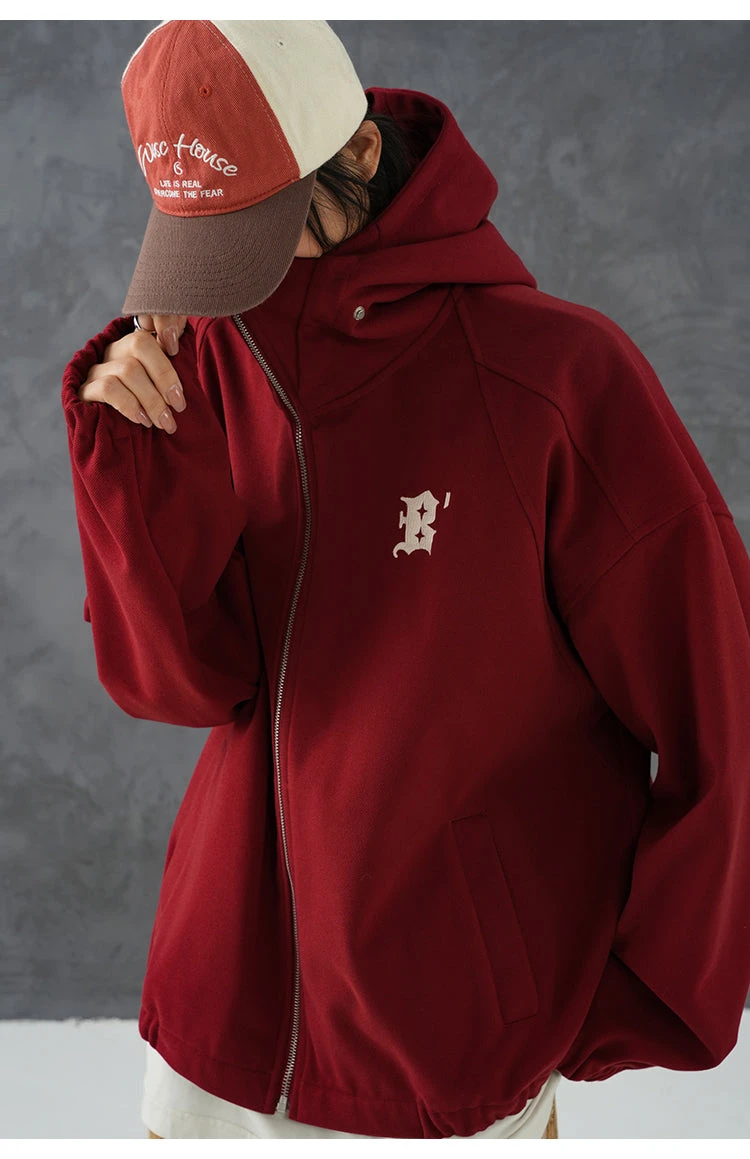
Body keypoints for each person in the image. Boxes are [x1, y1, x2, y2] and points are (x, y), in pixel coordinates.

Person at [61, 20, 750, 1142]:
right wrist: (132, 463)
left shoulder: (555, 380)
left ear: (362, 155)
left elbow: (723, 702)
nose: (237, 278)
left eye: (260, 226)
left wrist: (628, 994)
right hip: (213, 1017)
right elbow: (184, 685)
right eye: (205, 237)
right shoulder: (207, 358)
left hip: (446, 1042)